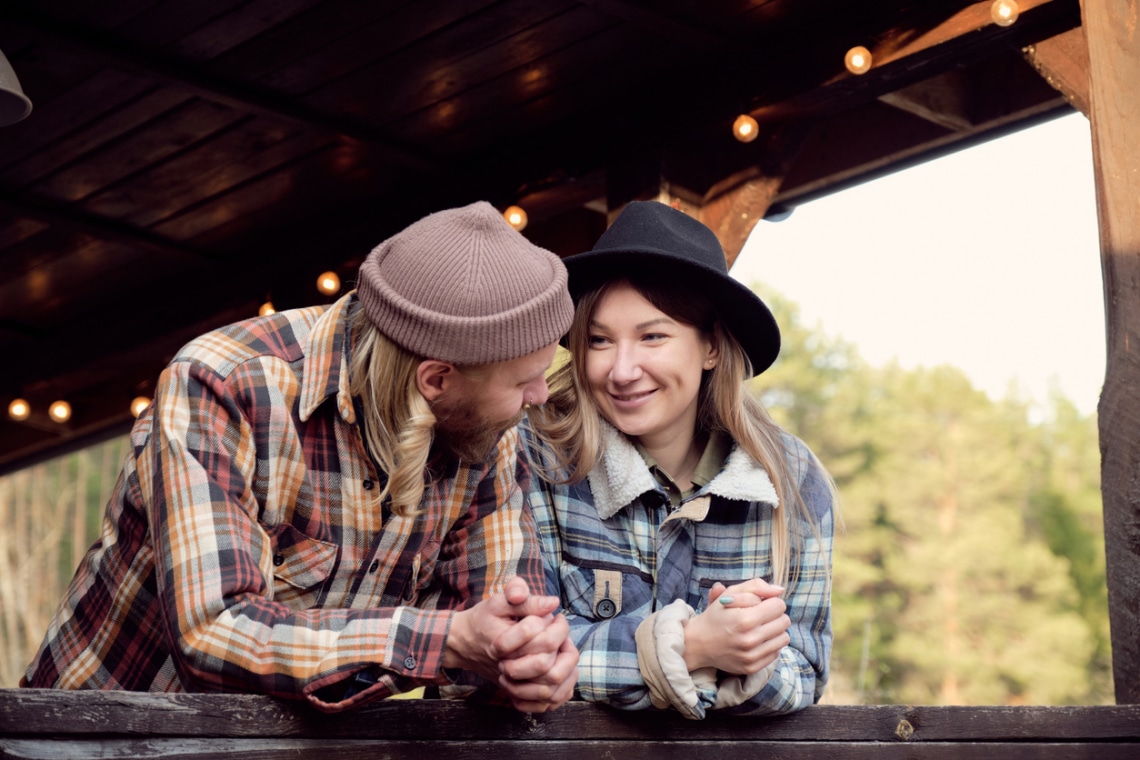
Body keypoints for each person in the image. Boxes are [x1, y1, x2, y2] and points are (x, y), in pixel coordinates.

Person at [23, 201, 579, 713]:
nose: (539, 397)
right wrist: (445, 639)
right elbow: (213, 630)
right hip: (90, 732)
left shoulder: (486, 424)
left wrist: (526, 662)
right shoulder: (224, 382)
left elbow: (500, 622)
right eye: (526, 381)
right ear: (436, 380)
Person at [522, 200, 835, 719]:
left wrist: (728, 659)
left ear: (711, 346)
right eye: (599, 340)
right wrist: (694, 648)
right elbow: (514, 659)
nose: (622, 370)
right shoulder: (536, 457)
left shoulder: (791, 477)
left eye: (653, 336)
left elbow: (805, 671)